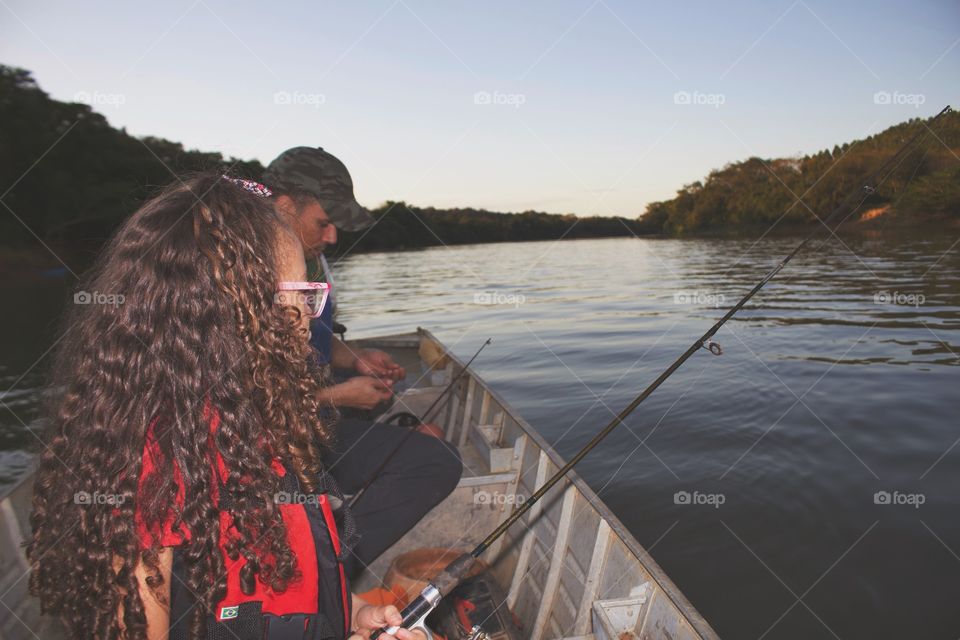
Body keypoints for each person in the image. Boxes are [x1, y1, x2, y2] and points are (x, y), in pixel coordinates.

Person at [28, 174, 423, 640]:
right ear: (225, 313)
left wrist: (351, 613)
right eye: (300, 293)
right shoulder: (153, 471)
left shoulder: (257, 424)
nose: (308, 318)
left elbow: (287, 586)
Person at [263, 148, 462, 575]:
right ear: (283, 207)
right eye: (324, 222)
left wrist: (357, 362)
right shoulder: (238, 278)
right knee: (435, 462)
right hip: (267, 446)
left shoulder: (312, 261)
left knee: (393, 410)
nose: (333, 237)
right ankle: (326, 573)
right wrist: (336, 396)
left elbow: (317, 343)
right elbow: (235, 409)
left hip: (304, 415)